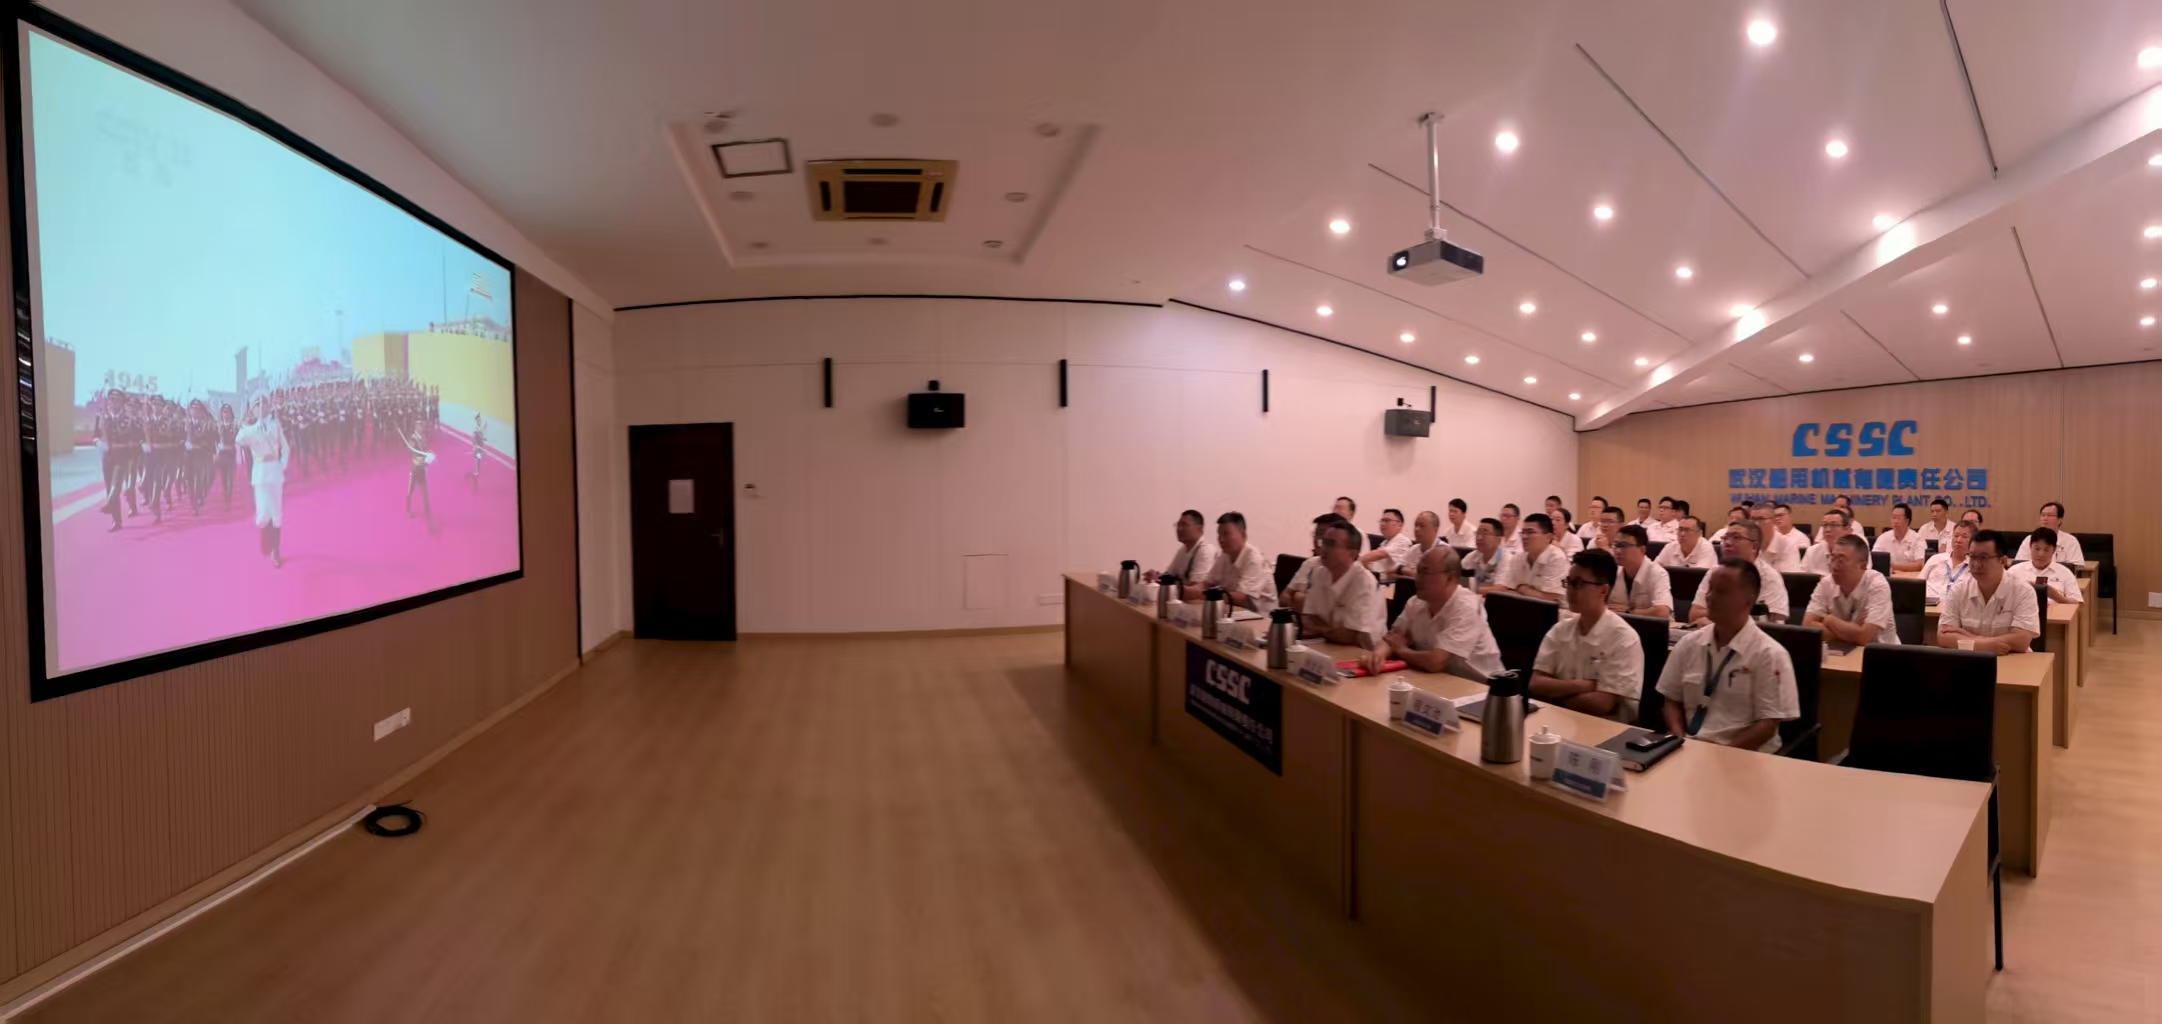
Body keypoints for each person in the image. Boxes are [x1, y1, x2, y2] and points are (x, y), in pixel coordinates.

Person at [1658, 559, 1800, 753]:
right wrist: (1679, 741)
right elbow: (1671, 700)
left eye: (1721, 592)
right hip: (1690, 750)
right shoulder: (1689, 644)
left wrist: (1724, 755)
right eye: (1710, 589)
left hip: (1745, 756)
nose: (1709, 597)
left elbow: (1767, 725)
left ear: (1748, 601)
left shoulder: (1770, 654)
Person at [1529, 548, 1645, 722]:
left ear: (1603, 591)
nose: (1570, 591)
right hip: (1558, 723)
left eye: (1579, 584)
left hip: (1606, 729)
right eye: (1569, 582)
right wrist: (1580, 686)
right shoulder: (1560, 630)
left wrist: (1555, 696)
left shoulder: (1623, 639)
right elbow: (1536, 683)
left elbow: (1602, 704)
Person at [1366, 546, 1504, 679]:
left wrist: (1402, 650)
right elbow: (1392, 638)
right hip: (1441, 680)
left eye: (1425, 572)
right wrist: (1378, 656)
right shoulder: (1416, 602)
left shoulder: (1466, 607)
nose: (1417, 578)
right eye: (1418, 571)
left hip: (1481, 686)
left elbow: (1435, 662)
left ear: (1450, 578)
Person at [1936, 530, 2039, 654]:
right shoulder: (1959, 589)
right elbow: (1943, 636)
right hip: (1968, 659)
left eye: (1983, 558)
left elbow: (2021, 641)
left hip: (2012, 658)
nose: (1976, 564)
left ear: (2002, 561)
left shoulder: (2023, 591)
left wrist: (1970, 638)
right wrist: (1985, 646)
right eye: (1972, 557)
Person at [1301, 520, 1386, 649]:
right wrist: (1330, 631)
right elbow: (1308, 619)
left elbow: (1350, 636)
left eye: (1331, 544)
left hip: (1362, 652)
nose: (1323, 548)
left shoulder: (1364, 581)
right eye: (1324, 542)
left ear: (1352, 554)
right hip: (1326, 644)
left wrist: (1320, 629)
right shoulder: (1319, 573)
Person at [1804, 535, 1899, 646]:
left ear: (1862, 566)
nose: (1834, 566)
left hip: (1880, 653)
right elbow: (1807, 626)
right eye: (1832, 558)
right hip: (1840, 652)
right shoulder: (1826, 583)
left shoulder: (1877, 585)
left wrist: (1829, 620)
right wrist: (1853, 630)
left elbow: (1865, 638)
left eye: (1841, 560)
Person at [1689, 520, 1787, 624]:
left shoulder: (1770, 577)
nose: (1728, 543)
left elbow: (1770, 624)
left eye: (1736, 538)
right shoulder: (1715, 572)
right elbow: (1694, 614)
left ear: (1754, 547)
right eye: (1725, 538)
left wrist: (1717, 619)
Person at [234, 397, 288, 568]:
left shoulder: (275, 425)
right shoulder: (250, 430)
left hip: (275, 471)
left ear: (269, 407)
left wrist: (282, 464)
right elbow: (239, 440)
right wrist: (245, 424)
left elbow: (285, 447)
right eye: (257, 405)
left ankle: (275, 550)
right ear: (253, 410)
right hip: (260, 473)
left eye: (264, 404)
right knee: (263, 515)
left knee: (276, 513)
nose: (261, 407)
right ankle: (266, 542)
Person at [1198, 511, 1276, 613]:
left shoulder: (1255, 559)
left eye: (1226, 534)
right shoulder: (1224, 555)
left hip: (1261, 616)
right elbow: (1207, 583)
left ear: (1243, 535)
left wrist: (1205, 595)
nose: (1221, 539)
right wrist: (1189, 590)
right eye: (1219, 535)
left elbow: (1241, 597)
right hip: (1236, 612)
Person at [1493, 513, 1568, 602]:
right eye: (1522, 533)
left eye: (1530, 532)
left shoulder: (1557, 558)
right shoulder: (1518, 558)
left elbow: (1551, 598)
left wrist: (1522, 588)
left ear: (1548, 537)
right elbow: (1507, 589)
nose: (1524, 537)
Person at [1281, 514, 1345, 612]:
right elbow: (1283, 598)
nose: (1316, 540)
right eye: (1316, 534)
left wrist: (1299, 598)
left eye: (1322, 535)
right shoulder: (1311, 563)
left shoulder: (1347, 571)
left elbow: (1328, 611)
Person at [1609, 525, 1673, 619]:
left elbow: (1662, 612)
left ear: (1642, 549)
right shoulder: (1612, 571)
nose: (1618, 551)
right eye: (1616, 545)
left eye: (1624, 546)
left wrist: (1629, 611)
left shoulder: (1657, 573)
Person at [2008, 527, 2082, 605]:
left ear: (2053, 550)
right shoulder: (2014, 571)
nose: (2041, 554)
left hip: (2056, 612)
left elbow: (2078, 604)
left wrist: (2058, 597)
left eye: (2046, 550)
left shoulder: (2065, 573)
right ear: (2030, 547)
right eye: (2037, 549)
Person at [1145, 510, 1218, 585]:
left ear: (1200, 528)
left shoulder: (1205, 550)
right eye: (1178, 525)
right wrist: (1157, 577)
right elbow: (1170, 575)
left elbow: (1196, 585)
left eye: (1184, 525)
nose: (1179, 529)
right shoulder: (1183, 550)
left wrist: (1161, 580)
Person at [2014, 502, 2084, 568]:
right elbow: (2019, 564)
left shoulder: (2070, 541)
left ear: (2060, 520)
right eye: (2043, 515)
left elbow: (2076, 567)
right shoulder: (2029, 539)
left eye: (2050, 515)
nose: (2045, 518)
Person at [397, 416, 437, 531]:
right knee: (410, 492)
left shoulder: (423, 438)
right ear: (416, 427)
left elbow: (424, 450)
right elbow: (412, 451)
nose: (422, 427)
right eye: (420, 425)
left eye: (423, 425)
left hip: (422, 470)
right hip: (415, 470)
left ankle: (429, 521)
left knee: (425, 496)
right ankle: (408, 510)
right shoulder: (412, 438)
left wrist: (429, 455)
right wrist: (424, 456)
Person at [1922, 521, 1976, 604]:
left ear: (1973, 541)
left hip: (1958, 607)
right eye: (1956, 536)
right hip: (1928, 606)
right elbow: (1918, 584)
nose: (1958, 540)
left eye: (1964, 537)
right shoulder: (1936, 559)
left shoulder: (1974, 567)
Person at [1873, 502, 1927, 573]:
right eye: (1893, 517)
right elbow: (1875, 559)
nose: (1895, 521)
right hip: (1888, 577)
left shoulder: (1918, 539)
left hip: (1910, 578)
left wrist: (1894, 566)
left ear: (1907, 521)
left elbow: (1920, 564)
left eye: (1899, 518)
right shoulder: (1883, 538)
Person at [1360, 508, 1415, 575]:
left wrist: (1358, 559)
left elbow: (1379, 554)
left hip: (1390, 580)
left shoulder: (1403, 541)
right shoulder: (1384, 543)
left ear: (1400, 525)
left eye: (1387, 520)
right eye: (1382, 521)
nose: (1382, 524)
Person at [1799, 508, 1854, 575]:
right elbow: (1801, 578)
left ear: (1847, 529)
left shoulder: (1856, 552)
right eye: (1825, 525)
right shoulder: (1812, 551)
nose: (1827, 530)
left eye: (1833, 525)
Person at [1463, 518, 1506, 590]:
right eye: (1478, 533)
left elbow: (1501, 589)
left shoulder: (1506, 559)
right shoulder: (1473, 556)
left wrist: (1472, 589)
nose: (1479, 538)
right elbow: (1457, 574)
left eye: (1485, 534)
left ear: (1498, 540)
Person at [1763, 503, 1808, 572]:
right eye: (1775, 516)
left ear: (1790, 516)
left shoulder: (1802, 538)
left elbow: (1803, 565)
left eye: (1780, 515)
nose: (1777, 518)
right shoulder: (1769, 533)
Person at [465, 411, 488, 490]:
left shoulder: (478, 427)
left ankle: (472, 475)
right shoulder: (475, 429)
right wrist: (476, 446)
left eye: (480, 420)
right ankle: (475, 485)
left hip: (479, 449)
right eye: (478, 420)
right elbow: (474, 438)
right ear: (476, 420)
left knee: (478, 464)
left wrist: (483, 439)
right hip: (477, 449)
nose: (479, 421)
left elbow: (481, 434)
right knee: (476, 466)